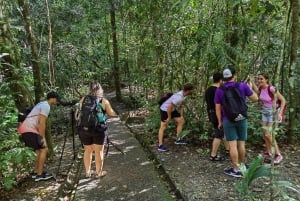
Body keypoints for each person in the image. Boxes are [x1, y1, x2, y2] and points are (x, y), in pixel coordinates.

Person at [215, 67, 258, 177]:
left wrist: (219, 122)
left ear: (224, 78)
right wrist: (250, 88)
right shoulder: (242, 86)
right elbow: (255, 99)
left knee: (232, 145)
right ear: (234, 76)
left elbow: (218, 108)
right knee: (241, 143)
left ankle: (235, 169)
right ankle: (242, 166)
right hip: (242, 118)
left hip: (228, 119)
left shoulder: (219, 90)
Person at [76, 82, 116, 178]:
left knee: (87, 150)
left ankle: (88, 172)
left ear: (89, 89)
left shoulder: (83, 99)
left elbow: (76, 115)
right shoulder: (103, 101)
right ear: (100, 90)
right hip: (98, 130)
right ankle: (98, 173)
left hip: (84, 129)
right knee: (99, 151)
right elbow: (112, 114)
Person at [18, 91, 60, 181]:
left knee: (38, 150)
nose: (57, 102)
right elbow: (41, 123)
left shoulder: (41, 104)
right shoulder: (46, 106)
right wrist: (43, 138)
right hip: (30, 129)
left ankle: (36, 171)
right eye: (56, 99)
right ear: (52, 98)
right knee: (44, 149)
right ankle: (40, 175)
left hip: (25, 129)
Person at [250, 73, 285, 164]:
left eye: (261, 79)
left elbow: (283, 100)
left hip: (272, 112)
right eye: (258, 79)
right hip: (265, 111)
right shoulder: (261, 88)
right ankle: (269, 152)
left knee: (268, 134)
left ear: (267, 80)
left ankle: (278, 154)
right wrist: (252, 82)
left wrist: (280, 113)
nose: (260, 80)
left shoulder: (272, 88)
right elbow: (257, 92)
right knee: (264, 134)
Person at [157, 83, 194, 152]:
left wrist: (181, 115)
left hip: (172, 110)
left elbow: (181, 105)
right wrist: (169, 117)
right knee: (163, 127)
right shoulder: (179, 97)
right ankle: (160, 145)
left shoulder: (183, 95)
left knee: (181, 121)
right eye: (192, 90)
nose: (193, 91)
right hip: (165, 110)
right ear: (188, 90)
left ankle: (178, 139)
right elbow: (169, 108)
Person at [205, 72, 229, 161]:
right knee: (219, 134)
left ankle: (228, 149)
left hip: (211, 113)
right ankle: (213, 155)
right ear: (221, 80)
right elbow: (220, 105)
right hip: (218, 114)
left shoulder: (208, 90)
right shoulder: (218, 90)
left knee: (224, 132)